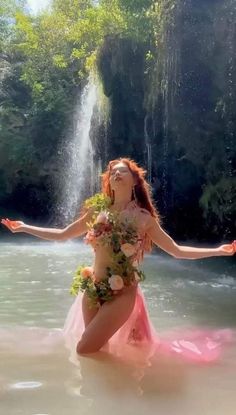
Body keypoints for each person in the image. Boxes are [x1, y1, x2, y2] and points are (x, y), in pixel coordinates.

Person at [1, 158, 235, 363]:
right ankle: (110, 392)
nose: (116, 174)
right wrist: (24, 227)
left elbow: (176, 250)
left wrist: (219, 251)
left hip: (123, 292)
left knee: (84, 349)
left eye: (122, 171)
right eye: (112, 172)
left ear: (134, 181)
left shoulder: (143, 219)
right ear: (109, 182)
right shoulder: (97, 212)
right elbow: (62, 235)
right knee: (97, 347)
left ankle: (123, 390)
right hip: (93, 288)